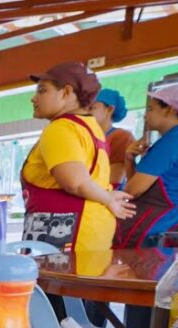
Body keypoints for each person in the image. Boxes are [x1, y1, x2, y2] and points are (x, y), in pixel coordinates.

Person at [19, 62, 135, 252]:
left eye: (42, 90)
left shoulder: (61, 128)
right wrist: (106, 196)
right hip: (90, 231)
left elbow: (75, 182)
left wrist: (107, 199)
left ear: (65, 92)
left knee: (53, 282)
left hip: (65, 232)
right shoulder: (91, 129)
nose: (34, 98)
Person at [120, 84, 178, 248]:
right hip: (165, 221)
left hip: (155, 224)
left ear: (170, 110)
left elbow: (132, 190)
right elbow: (136, 187)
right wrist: (129, 158)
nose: (146, 115)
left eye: (151, 109)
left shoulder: (173, 143)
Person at [89, 88, 136, 187]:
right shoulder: (87, 135)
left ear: (110, 109)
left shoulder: (122, 137)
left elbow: (114, 181)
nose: (87, 113)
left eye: (92, 108)